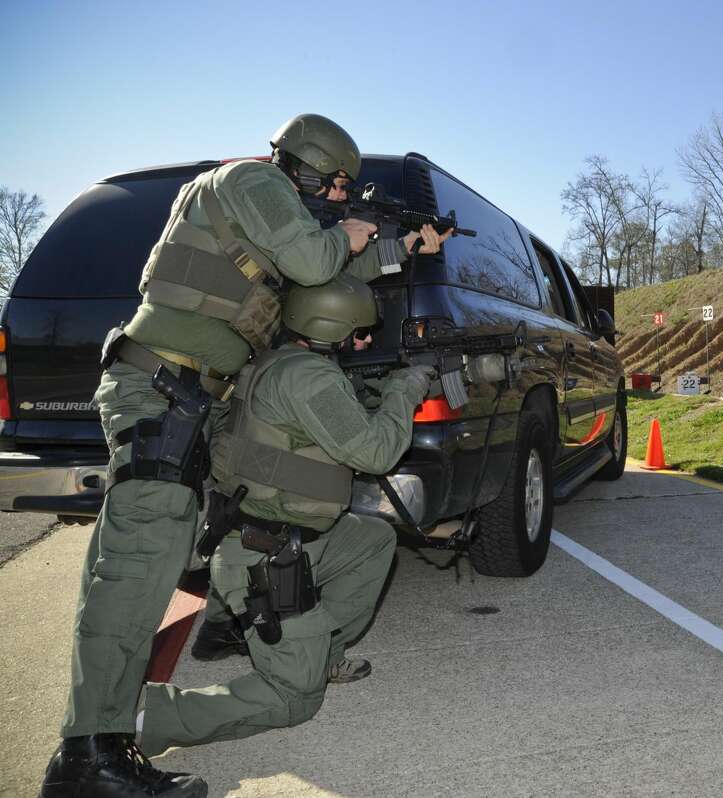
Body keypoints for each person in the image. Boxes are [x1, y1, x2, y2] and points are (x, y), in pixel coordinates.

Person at [40, 114, 442, 798]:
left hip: (189, 398)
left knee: (156, 556)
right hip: (161, 387)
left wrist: (404, 244)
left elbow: (320, 279)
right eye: (338, 186)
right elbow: (318, 259)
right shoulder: (248, 180)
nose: (343, 199)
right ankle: (89, 759)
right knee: (135, 568)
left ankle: (161, 688)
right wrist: (351, 232)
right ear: (307, 167)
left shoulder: (270, 230)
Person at [137, 275, 435, 757]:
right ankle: (142, 719)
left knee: (374, 541)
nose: (363, 342)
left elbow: (321, 424)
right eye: (359, 332)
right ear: (331, 326)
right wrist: (406, 389)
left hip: (282, 534)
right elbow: (377, 451)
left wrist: (378, 388)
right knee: (294, 699)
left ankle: (323, 654)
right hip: (262, 557)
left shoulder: (280, 362)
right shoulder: (308, 377)